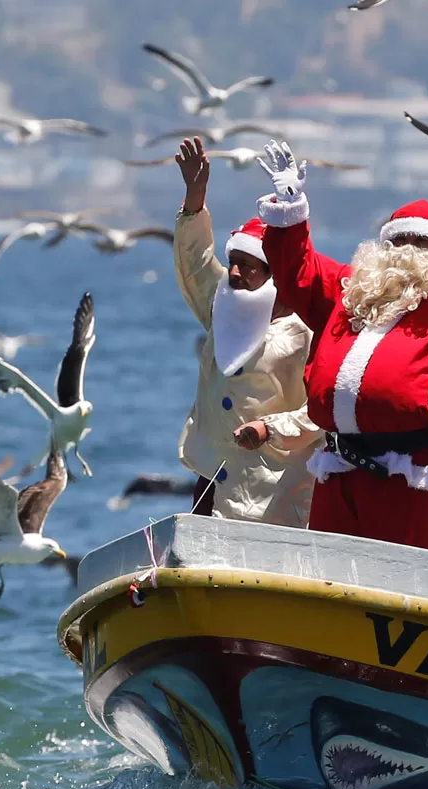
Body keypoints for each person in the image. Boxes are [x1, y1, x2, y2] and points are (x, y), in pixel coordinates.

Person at [252, 140, 428, 551]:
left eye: (422, 244)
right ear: (383, 247)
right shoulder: (350, 291)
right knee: (328, 573)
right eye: (401, 241)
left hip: (409, 476)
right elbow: (296, 271)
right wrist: (290, 213)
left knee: (402, 576)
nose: (410, 252)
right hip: (339, 468)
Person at [172, 137, 319, 526]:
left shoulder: (308, 327)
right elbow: (195, 266)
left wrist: (270, 429)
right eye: (232, 261)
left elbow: (323, 411)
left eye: (247, 265)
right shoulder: (224, 308)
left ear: (275, 273)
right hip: (213, 477)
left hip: (276, 486)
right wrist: (195, 198)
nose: (234, 273)